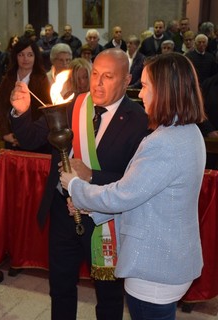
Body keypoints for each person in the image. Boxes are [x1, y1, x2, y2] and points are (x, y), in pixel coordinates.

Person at [60, 52, 206, 320]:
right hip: (170, 259)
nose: (140, 94)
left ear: (165, 90)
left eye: (146, 86)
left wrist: (76, 188)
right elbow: (143, 195)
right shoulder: (188, 131)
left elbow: (123, 194)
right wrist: (92, 210)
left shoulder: (163, 142)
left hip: (154, 265)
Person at [9, 48, 148, 320]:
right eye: (95, 74)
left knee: (108, 295)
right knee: (60, 287)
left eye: (108, 76)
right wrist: (20, 112)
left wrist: (91, 175)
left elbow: (136, 181)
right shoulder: (75, 103)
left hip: (105, 219)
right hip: (63, 212)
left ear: (126, 79)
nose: (97, 83)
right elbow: (31, 138)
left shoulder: (138, 119)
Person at [0, 38, 51, 151]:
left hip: (35, 140)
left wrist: (26, 136)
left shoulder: (41, 79)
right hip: (11, 138)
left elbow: (46, 109)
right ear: (15, 56)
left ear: (35, 57)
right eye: (21, 55)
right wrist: (5, 133)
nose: (25, 59)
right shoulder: (9, 78)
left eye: (30, 55)